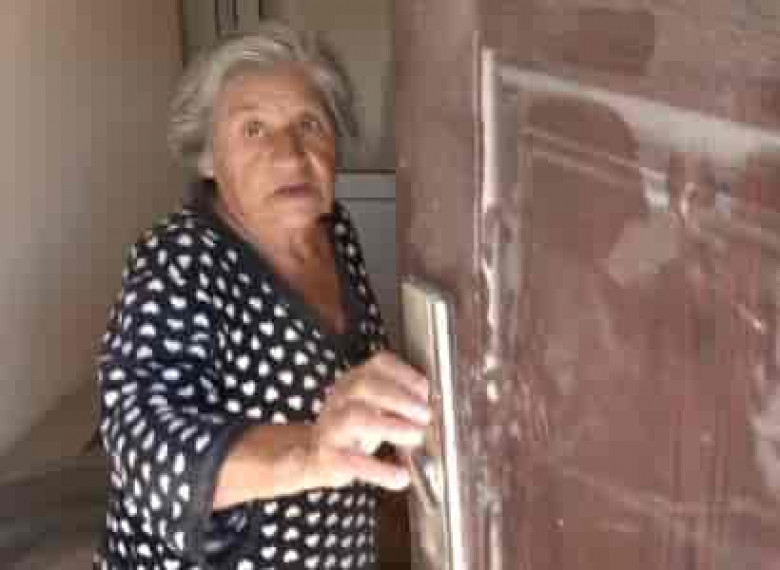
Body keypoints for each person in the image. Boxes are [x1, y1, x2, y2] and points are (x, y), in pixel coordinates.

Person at [93, 23, 430, 570]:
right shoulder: (177, 261)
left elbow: (363, 379)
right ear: (208, 158)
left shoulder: (333, 232)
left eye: (309, 124)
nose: (290, 156)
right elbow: (145, 448)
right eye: (254, 130)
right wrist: (311, 450)